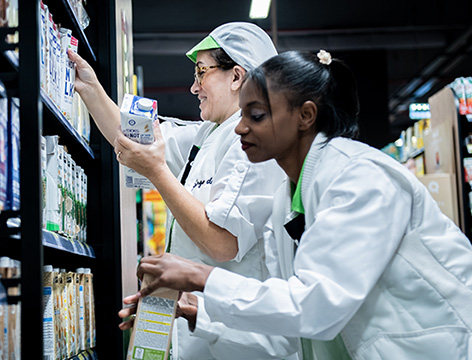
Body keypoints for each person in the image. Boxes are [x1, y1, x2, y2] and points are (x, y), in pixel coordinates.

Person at [123, 50, 472, 360]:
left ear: (305, 116)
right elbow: (288, 333)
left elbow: (317, 307)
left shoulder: (361, 179)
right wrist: (197, 310)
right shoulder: (287, 201)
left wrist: (203, 277)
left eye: (256, 114)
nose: (240, 128)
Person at [70, 23, 287, 359]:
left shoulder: (252, 143)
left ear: (236, 76)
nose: (193, 86)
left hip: (241, 345)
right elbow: (132, 137)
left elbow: (222, 243)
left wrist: (156, 171)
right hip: (203, 334)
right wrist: (89, 87)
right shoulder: (208, 135)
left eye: (202, 72)